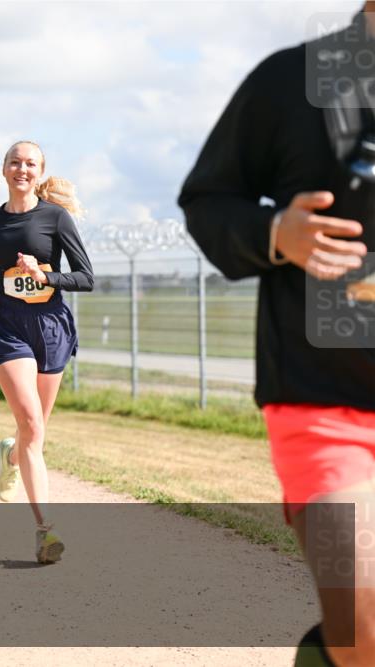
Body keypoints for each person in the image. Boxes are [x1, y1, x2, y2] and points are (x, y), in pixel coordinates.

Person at [178, 7, 375, 665]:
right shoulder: (293, 81)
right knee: (363, 617)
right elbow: (208, 200)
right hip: (326, 407)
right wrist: (276, 234)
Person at [0, 141, 93, 565]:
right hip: (8, 328)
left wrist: (46, 275)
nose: (22, 168)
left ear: (40, 173)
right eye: (15, 162)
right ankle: (45, 530)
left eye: (30, 163)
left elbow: (85, 277)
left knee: (33, 434)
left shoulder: (55, 217)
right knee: (32, 424)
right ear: (4, 169)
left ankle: (10, 454)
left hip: (51, 327)